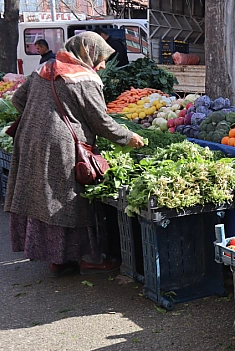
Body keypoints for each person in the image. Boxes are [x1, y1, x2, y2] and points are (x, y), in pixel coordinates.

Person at [7, 32, 145, 277]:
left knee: (43, 197)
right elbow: (100, 121)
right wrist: (128, 137)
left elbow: (18, 99)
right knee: (69, 200)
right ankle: (86, 258)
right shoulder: (82, 79)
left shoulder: (47, 67)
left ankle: (57, 259)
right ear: (87, 53)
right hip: (61, 146)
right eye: (100, 58)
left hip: (29, 140)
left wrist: (43, 115)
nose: (102, 65)